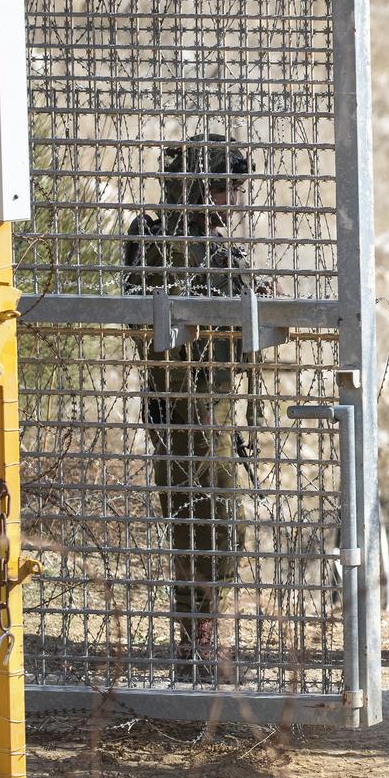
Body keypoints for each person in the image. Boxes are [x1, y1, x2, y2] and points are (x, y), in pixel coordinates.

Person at [124, 133, 255, 679]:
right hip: (189, 406)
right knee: (212, 521)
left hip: (205, 402)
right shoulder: (163, 242)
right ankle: (199, 640)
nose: (232, 203)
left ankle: (198, 636)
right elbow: (148, 318)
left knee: (205, 519)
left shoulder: (193, 244)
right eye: (224, 191)